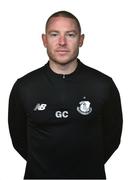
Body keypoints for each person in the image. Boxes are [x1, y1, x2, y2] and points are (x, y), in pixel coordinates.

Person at [8, 10, 123, 179]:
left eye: (70, 35)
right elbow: (18, 139)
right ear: (44, 40)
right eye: (54, 34)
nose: (62, 42)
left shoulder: (103, 85)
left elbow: (112, 138)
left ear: (81, 40)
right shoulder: (24, 86)